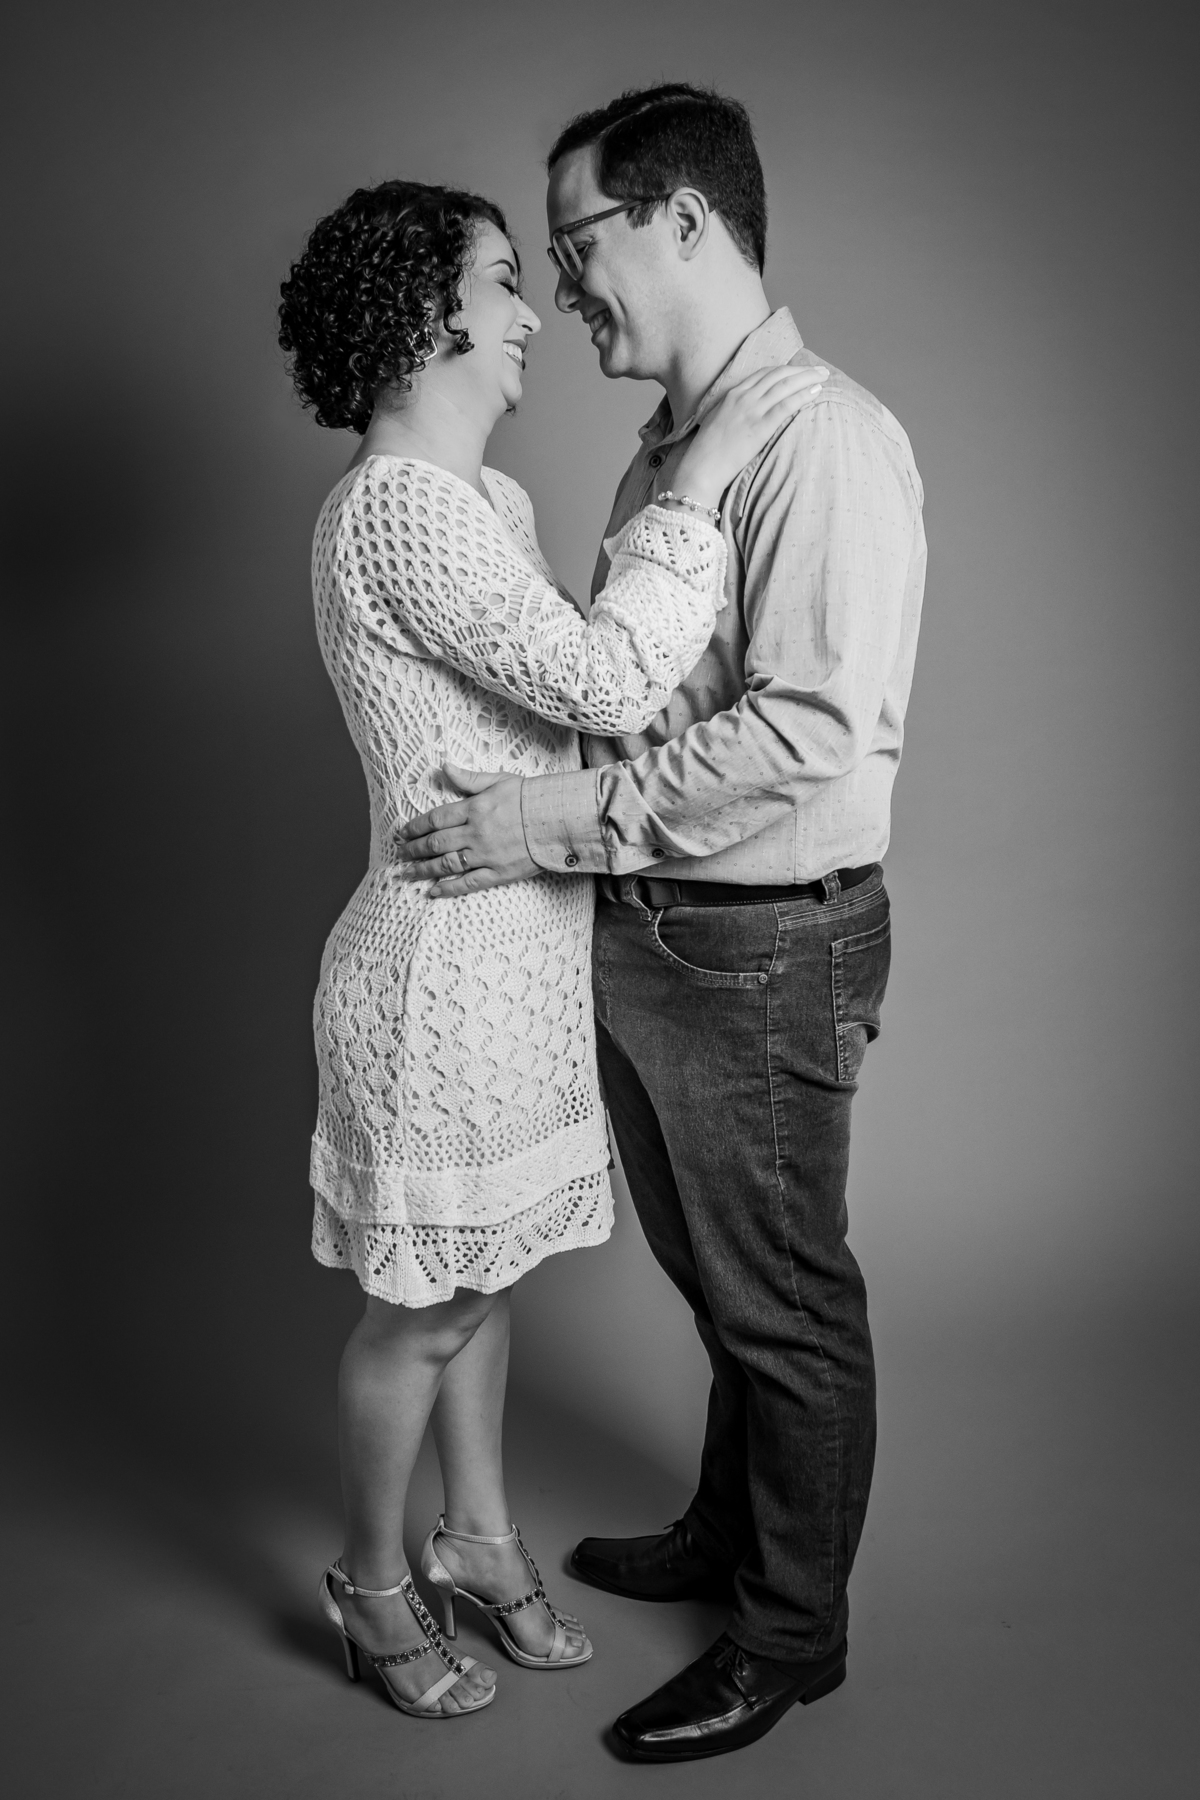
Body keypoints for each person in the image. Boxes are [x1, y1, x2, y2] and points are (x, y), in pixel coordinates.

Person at [398, 85, 927, 1759]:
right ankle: (733, 1533)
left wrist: (538, 820)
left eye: (578, 244)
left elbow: (808, 735)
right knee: (721, 1288)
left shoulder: (821, 439)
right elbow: (629, 691)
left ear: (685, 220)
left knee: (783, 1302)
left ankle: (790, 1634)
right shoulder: (669, 451)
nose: (559, 289)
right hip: (653, 933)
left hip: (761, 947)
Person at [277, 177, 825, 1721]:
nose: (535, 315)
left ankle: (479, 1539)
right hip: (434, 977)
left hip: (519, 962)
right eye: (504, 282)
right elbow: (600, 685)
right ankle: (372, 1582)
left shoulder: (495, 505)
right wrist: (696, 485)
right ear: (422, 314)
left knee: (488, 1278)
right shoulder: (394, 506)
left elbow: (560, 726)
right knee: (426, 1310)